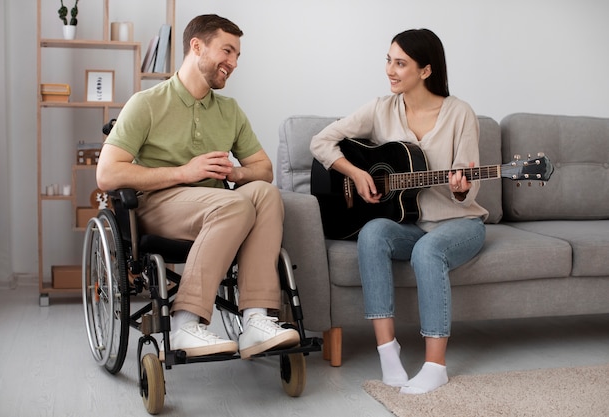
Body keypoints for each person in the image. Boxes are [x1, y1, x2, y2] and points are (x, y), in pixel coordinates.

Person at [97, 14, 299, 360]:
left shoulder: (229, 110)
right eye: (227, 51)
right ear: (197, 47)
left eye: (237, 56)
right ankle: (185, 323)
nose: (233, 63)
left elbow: (263, 170)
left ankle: (255, 320)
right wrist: (184, 172)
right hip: (157, 205)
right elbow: (108, 174)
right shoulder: (146, 103)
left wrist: (235, 174)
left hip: (216, 206)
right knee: (234, 205)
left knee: (265, 193)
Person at [310, 28, 488, 394]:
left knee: (429, 250)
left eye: (400, 63)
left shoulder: (460, 113)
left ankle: (435, 366)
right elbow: (321, 141)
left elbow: (470, 188)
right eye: (388, 60)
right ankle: (388, 352)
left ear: (425, 70)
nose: (390, 70)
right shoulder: (380, 109)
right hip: (411, 225)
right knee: (373, 231)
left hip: (460, 223)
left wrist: (462, 187)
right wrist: (358, 173)